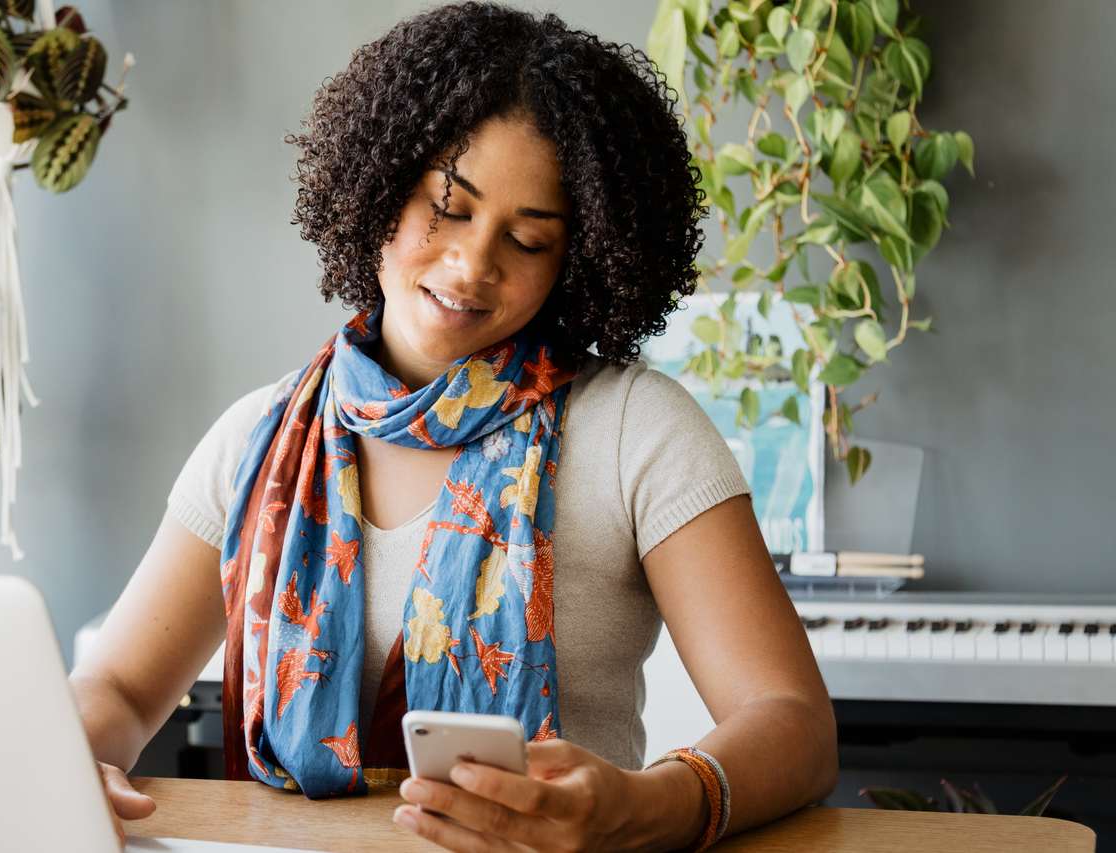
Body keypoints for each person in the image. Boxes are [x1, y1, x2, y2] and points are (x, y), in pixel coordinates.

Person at [69, 3, 837, 850]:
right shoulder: (257, 438)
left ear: (577, 258)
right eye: (448, 206)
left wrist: (647, 806)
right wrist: (67, 757)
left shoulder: (636, 430)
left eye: (529, 240)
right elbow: (117, 688)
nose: (473, 265)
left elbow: (793, 721)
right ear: (380, 183)